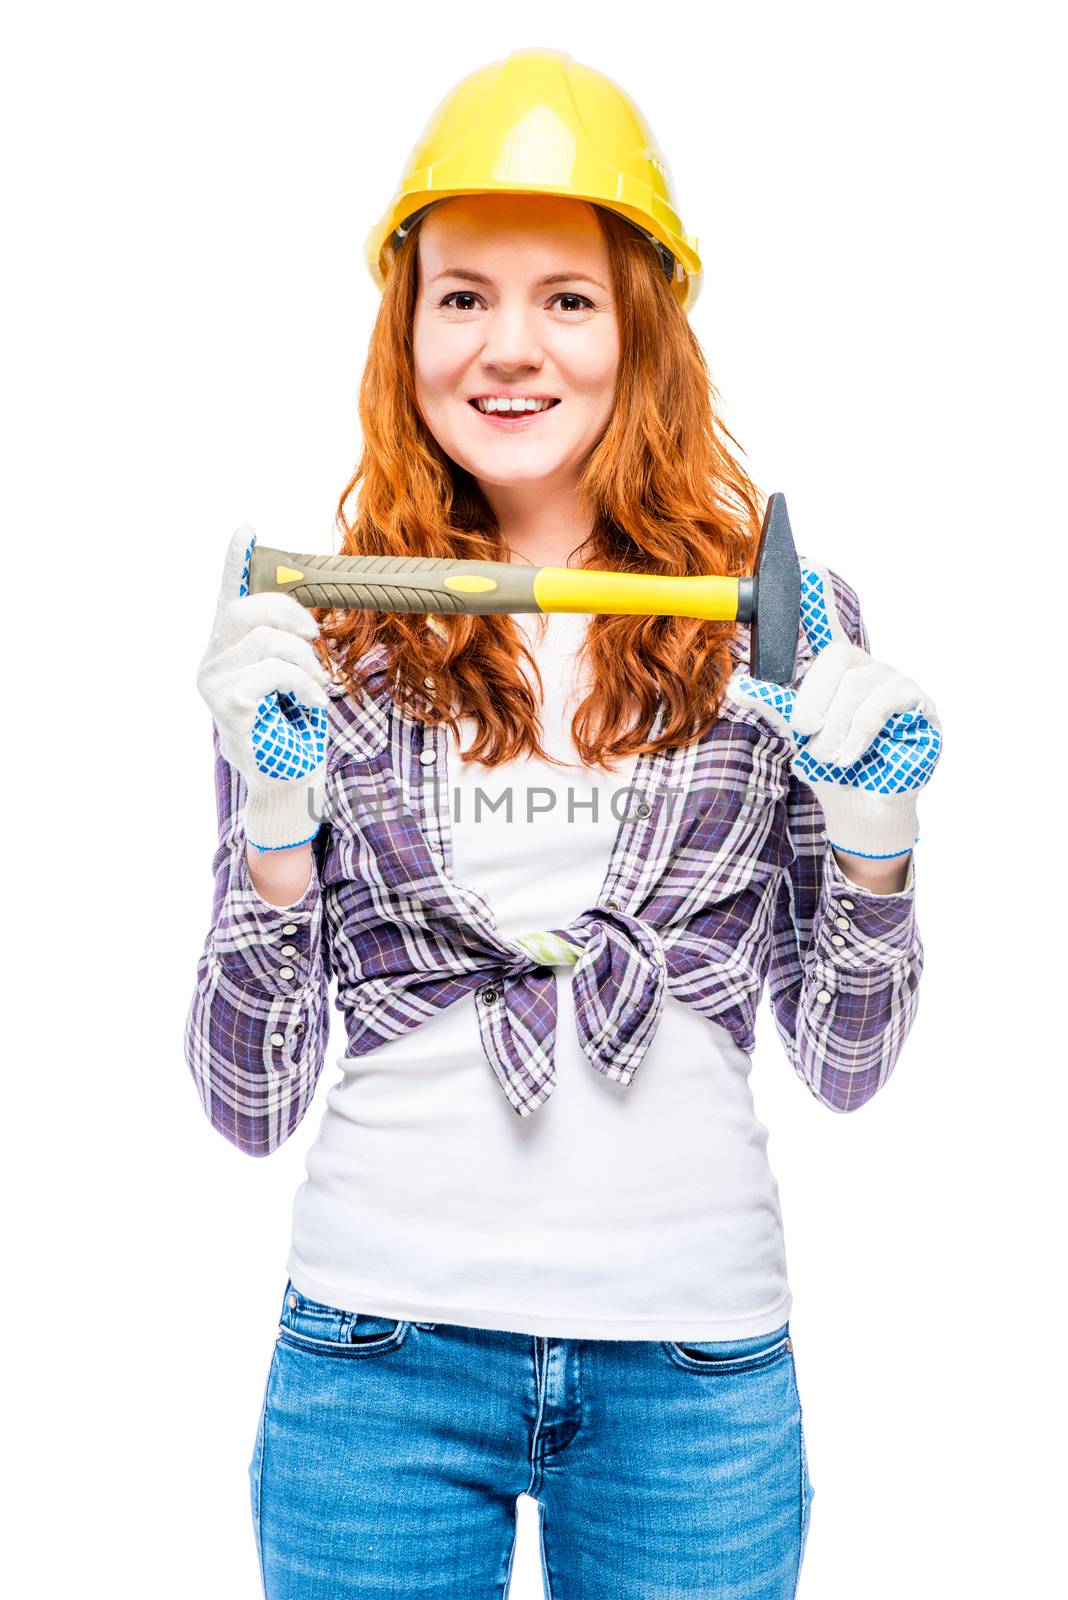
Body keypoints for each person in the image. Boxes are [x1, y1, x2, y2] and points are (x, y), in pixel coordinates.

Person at [186, 47, 941, 1600]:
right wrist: (273, 828)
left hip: (696, 1375)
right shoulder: (326, 640)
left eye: (568, 299)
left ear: (643, 331)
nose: (509, 347)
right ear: (407, 330)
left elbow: (850, 1064)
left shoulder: (778, 632)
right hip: (374, 1368)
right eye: (463, 296)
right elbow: (247, 1106)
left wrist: (877, 844)